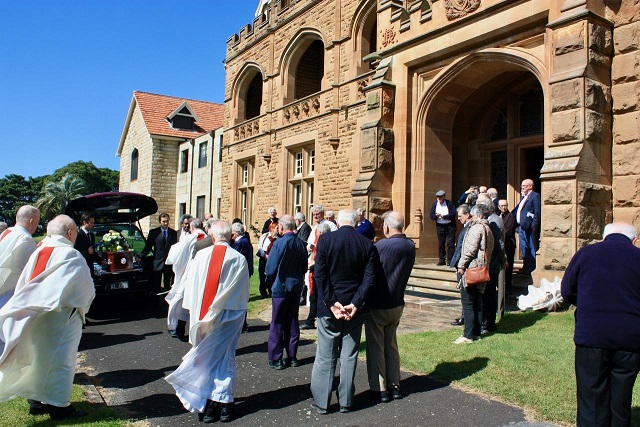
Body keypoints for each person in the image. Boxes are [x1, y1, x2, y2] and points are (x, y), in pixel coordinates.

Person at [0, 214, 95, 420]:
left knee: (39, 360)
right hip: (61, 319)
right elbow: (84, 291)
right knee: (61, 361)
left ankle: (36, 402)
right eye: (75, 233)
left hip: (37, 315)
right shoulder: (71, 255)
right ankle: (60, 407)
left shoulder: (39, 250)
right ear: (70, 233)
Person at [165, 221, 249, 423]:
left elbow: (190, 286)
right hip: (228, 317)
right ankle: (224, 405)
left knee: (207, 361)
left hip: (202, 317)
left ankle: (209, 407)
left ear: (213, 237)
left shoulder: (200, 257)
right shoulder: (238, 259)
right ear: (231, 237)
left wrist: (194, 314)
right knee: (224, 358)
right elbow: (241, 295)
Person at [561, 222, 640, 426]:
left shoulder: (586, 254)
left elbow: (567, 289)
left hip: (592, 335)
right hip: (630, 339)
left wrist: (587, 305)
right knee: (621, 399)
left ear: (604, 236)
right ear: (633, 240)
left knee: (591, 399)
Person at [310, 209, 378, 414]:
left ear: (338, 223)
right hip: (353, 309)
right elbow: (369, 279)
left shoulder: (326, 241)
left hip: (330, 308)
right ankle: (346, 402)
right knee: (349, 355)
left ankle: (322, 402)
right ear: (357, 224)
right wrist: (355, 304)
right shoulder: (366, 244)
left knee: (325, 355)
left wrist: (331, 303)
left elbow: (320, 275)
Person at [365, 211, 415, 403]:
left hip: (379, 303)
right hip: (397, 302)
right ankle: (395, 386)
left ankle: (380, 388)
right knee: (391, 345)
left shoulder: (381, 246)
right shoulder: (409, 246)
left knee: (376, 346)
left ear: (386, 226)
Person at [265, 215, 308, 369]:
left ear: (282, 227)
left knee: (277, 322)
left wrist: (269, 283)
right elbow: (304, 266)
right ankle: (292, 356)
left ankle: (276, 358)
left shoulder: (279, 243)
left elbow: (270, 269)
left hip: (281, 287)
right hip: (295, 287)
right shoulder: (301, 244)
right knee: (292, 321)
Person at [454, 204, 494, 344]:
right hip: (482, 270)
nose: (472, 217)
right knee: (477, 303)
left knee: (468, 303)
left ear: (479, 215)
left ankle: (468, 335)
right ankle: (476, 333)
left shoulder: (477, 228)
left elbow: (470, 249)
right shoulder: (488, 228)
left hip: (472, 270)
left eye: (473, 215)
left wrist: (461, 265)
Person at [165, 218, 207, 339]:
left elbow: (175, 254)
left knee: (181, 300)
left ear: (192, 227)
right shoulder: (209, 238)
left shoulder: (189, 238)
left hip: (189, 273)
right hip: (203, 273)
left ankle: (178, 328)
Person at [301, 205, 337, 330]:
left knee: (321, 293)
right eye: (314, 214)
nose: (316, 216)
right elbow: (310, 244)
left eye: (318, 214)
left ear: (322, 213)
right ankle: (311, 319)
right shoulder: (315, 227)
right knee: (314, 293)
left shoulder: (330, 225)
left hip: (323, 264)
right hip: (314, 263)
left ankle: (320, 318)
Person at [0, 205, 39, 309]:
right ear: (32, 222)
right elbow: (29, 273)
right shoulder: (26, 239)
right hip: (7, 296)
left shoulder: (7, 231)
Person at [477, 197, 505, 333]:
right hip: (490, 264)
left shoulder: (493, 222)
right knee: (487, 295)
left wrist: (502, 261)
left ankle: (488, 324)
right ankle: (487, 322)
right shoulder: (493, 219)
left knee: (488, 295)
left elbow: (499, 245)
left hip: (490, 265)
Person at [139, 213, 178, 298]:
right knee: (156, 285)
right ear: (160, 222)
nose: (165, 223)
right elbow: (148, 246)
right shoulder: (154, 232)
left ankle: (166, 302)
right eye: (163, 221)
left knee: (168, 284)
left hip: (169, 262)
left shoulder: (173, 233)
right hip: (157, 262)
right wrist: (141, 256)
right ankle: (156, 303)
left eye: (167, 221)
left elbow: (175, 247)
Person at [449, 204, 471, 326]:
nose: (458, 218)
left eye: (460, 216)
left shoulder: (470, 227)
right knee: (463, 293)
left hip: (464, 265)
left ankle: (465, 317)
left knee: (465, 293)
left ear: (467, 215)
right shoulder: (465, 227)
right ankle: (464, 315)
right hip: (460, 263)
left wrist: (461, 265)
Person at [514, 179, 540, 274]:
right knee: (524, 248)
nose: (522, 187)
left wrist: (534, 225)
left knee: (531, 248)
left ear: (530, 186)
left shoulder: (535, 196)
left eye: (524, 185)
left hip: (529, 228)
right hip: (521, 227)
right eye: (522, 185)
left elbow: (537, 212)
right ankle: (525, 267)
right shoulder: (523, 197)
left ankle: (532, 268)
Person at [232, 221, 253, 333]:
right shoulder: (245, 241)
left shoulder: (240, 243)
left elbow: (234, 257)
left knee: (240, 299)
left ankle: (242, 323)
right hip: (246, 272)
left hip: (241, 275)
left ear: (236, 232)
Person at [429, 190, 456, 266]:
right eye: (437, 197)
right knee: (441, 244)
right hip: (440, 227)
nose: (439, 199)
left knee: (450, 243)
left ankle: (450, 260)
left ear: (444, 197)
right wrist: (436, 216)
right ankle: (442, 259)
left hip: (450, 226)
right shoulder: (435, 205)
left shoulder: (449, 203)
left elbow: (453, 213)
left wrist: (444, 216)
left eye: (440, 197)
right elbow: (431, 216)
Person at [73, 212, 102, 277]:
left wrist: (101, 261)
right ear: (84, 222)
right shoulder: (78, 235)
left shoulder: (91, 235)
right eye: (91, 222)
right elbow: (75, 252)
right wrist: (87, 252)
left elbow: (92, 252)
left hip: (90, 268)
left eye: (93, 222)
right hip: (81, 268)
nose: (93, 224)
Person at [498, 200, 516, 295]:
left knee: (508, 267)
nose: (504, 207)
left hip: (509, 245)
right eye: (502, 205)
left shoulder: (511, 217)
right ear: (498, 207)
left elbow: (507, 231)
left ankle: (508, 287)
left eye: (505, 205)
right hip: (501, 246)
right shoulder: (498, 216)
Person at [257, 222, 279, 298]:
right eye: (277, 228)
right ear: (272, 229)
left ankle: (271, 290)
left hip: (273, 258)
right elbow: (259, 246)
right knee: (262, 275)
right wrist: (264, 255)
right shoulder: (265, 236)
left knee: (271, 274)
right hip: (263, 257)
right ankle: (263, 292)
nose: (278, 229)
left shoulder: (279, 238)